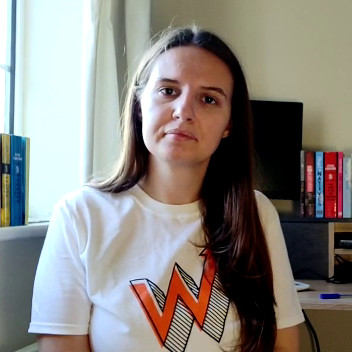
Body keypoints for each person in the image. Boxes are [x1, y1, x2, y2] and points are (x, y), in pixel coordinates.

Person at [29, 25, 304, 352]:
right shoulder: (80, 215)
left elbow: (284, 345)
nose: (184, 112)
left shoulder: (256, 212)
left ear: (229, 124)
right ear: (140, 104)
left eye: (208, 99)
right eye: (168, 91)